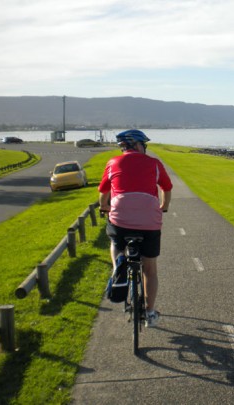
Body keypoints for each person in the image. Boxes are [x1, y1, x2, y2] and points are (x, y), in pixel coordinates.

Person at [98, 129, 173, 327]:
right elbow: (167, 187)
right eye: (144, 145)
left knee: (115, 239)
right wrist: (163, 207)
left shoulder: (113, 163)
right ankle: (149, 313)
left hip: (121, 219)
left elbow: (103, 191)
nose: (145, 148)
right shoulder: (154, 164)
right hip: (149, 222)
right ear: (137, 145)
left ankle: (118, 264)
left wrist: (105, 206)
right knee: (150, 270)